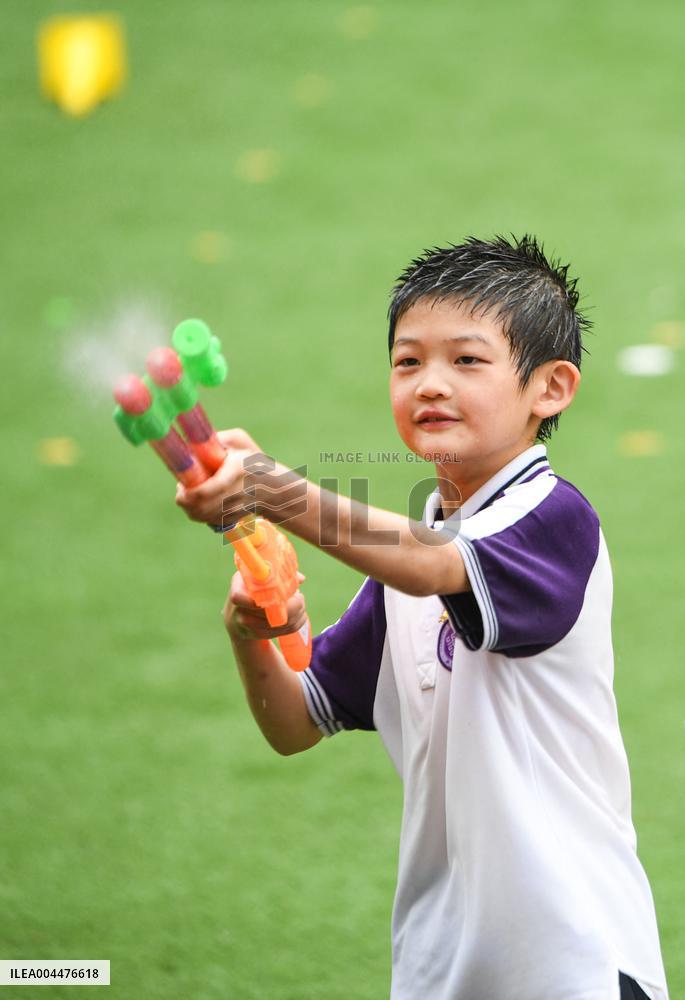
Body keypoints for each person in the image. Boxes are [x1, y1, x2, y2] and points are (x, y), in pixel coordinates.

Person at [176, 236, 669, 1000]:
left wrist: (272, 490)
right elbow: (296, 722)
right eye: (408, 362)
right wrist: (251, 634)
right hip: (442, 972)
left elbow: (437, 563)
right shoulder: (406, 566)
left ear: (551, 388)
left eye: (466, 361)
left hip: (573, 963)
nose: (429, 384)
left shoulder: (552, 518)